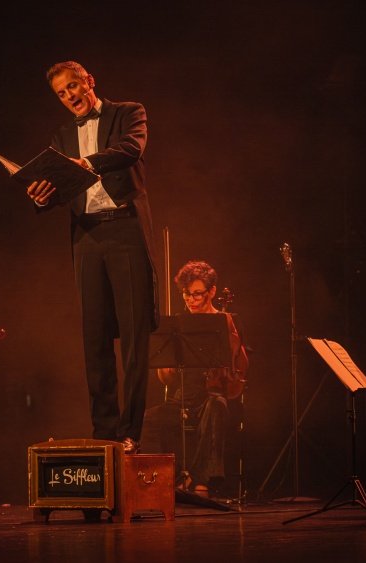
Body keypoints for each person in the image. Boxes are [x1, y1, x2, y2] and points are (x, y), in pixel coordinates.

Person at [25, 60, 157, 453]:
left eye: (73, 87)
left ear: (89, 81)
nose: (70, 97)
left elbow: (131, 150)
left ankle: (130, 433)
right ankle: (105, 433)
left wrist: (87, 163)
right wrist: (41, 198)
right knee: (94, 336)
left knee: (134, 336)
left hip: (125, 228)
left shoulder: (128, 112)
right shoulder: (62, 135)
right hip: (87, 235)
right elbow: (61, 185)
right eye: (62, 94)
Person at [140, 260, 249, 497]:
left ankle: (203, 482)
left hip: (212, 396)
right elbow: (167, 381)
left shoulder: (226, 321)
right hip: (183, 398)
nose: (191, 300)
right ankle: (169, 479)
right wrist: (166, 363)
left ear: (212, 291)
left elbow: (240, 365)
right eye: (186, 294)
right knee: (148, 419)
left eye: (197, 294)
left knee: (216, 407)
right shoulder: (177, 326)